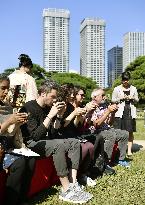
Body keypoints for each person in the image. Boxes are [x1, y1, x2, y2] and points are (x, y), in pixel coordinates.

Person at [20, 79, 92, 204]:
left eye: (55, 97)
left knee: (74, 142)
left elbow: (53, 132)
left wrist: (59, 115)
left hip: (46, 141)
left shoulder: (49, 107)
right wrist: (50, 116)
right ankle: (66, 190)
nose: (54, 100)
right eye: (52, 97)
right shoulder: (28, 107)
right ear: (43, 93)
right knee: (58, 145)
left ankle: (73, 182)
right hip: (31, 143)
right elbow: (35, 136)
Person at [0, 75, 35, 205]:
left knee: (31, 159)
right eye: (2, 88)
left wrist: (18, 123)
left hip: (6, 147)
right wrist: (10, 121)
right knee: (19, 163)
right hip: (1, 150)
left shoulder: (8, 107)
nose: (5, 92)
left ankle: (22, 199)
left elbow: (9, 134)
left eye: (7, 89)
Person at [89, 88, 130, 168]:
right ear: (95, 97)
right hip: (95, 131)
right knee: (110, 135)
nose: (105, 97)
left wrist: (113, 113)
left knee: (124, 134)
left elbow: (109, 123)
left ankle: (120, 159)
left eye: (104, 95)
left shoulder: (104, 106)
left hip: (106, 129)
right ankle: (105, 162)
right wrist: (108, 111)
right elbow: (96, 125)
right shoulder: (91, 107)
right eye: (102, 95)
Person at [112, 71, 139, 156]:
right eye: (124, 79)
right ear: (122, 80)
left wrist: (133, 98)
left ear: (129, 80)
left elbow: (137, 100)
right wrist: (120, 98)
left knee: (130, 131)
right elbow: (113, 100)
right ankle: (118, 150)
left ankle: (129, 150)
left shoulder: (134, 88)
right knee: (119, 131)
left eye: (126, 79)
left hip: (130, 112)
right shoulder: (117, 89)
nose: (125, 81)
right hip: (119, 112)